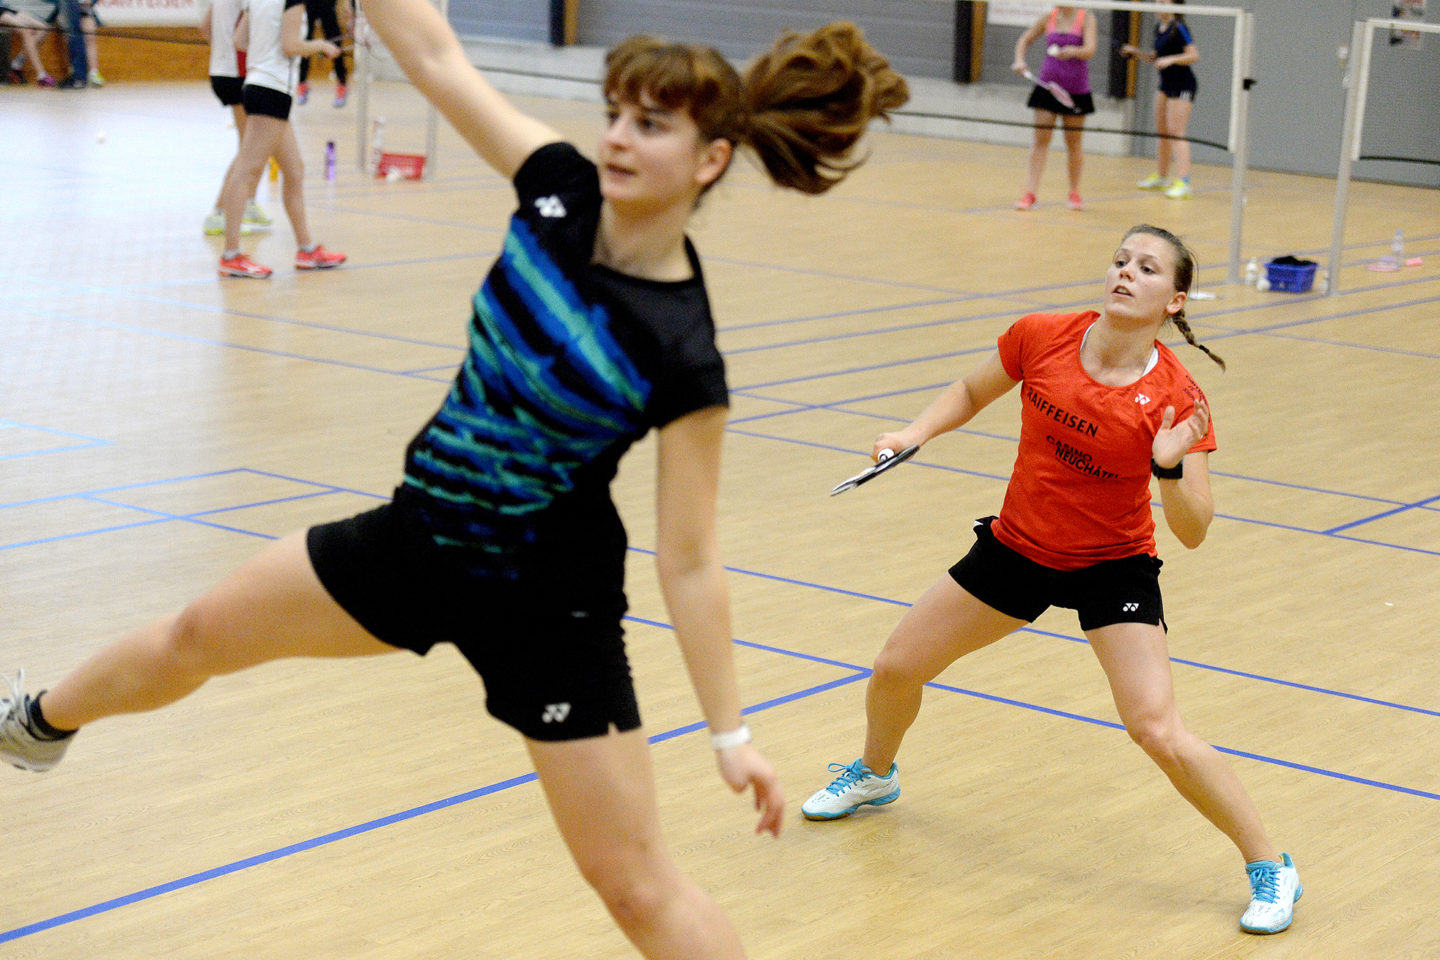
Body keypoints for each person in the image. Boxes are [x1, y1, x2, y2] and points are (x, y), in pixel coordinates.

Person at [0, 6, 908, 957]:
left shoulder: (683, 350)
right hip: (418, 539)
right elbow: (434, 54)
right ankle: (39, 725)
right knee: (195, 635)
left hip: (548, 611)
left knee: (637, 888)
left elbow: (688, 560)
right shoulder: (558, 189)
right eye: (614, 112)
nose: (616, 137)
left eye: (650, 124)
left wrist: (730, 737)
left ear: (710, 159)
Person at [799, 224, 1303, 936]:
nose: (1126, 273)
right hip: (1019, 548)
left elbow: (1194, 528)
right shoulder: (1043, 335)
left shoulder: (1178, 399)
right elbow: (971, 390)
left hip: (1112, 566)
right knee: (894, 668)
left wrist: (1164, 467)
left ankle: (1271, 866)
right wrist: (913, 434)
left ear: (1175, 299)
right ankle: (876, 775)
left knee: (1156, 729)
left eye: (1148, 268)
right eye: (1121, 260)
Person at [216, 0, 345, 278]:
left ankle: (306, 249)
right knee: (247, 171)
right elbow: (290, 46)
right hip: (272, 91)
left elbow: (240, 41)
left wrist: (265, 47)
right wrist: (320, 46)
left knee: (294, 170)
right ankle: (231, 255)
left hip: (257, 85)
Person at [200, 0, 274, 237]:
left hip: (221, 72)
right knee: (248, 149)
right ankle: (220, 212)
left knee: (256, 144)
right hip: (237, 75)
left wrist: (220, 54)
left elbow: (205, 28)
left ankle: (247, 202)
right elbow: (252, 32)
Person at [1011, 5, 1097, 211]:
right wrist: (1020, 61)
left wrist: (1073, 51)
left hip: (1076, 90)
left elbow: (1090, 50)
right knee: (1040, 141)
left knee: (1074, 143)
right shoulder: (1048, 17)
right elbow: (1025, 39)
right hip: (1047, 87)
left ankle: (1074, 193)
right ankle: (1030, 193)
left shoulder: (1086, 18)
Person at [1122, 0, 1199, 199]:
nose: (1158, 4)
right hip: (1165, 84)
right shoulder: (1159, 28)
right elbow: (1155, 57)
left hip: (1183, 85)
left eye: (1163, 1)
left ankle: (1183, 182)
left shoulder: (1179, 27)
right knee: (1163, 133)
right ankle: (1162, 177)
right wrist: (1135, 52)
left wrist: (1171, 59)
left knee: (1176, 133)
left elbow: (1193, 55)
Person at [295, 0, 347, 106]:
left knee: (335, 43)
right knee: (305, 41)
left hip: (327, 3)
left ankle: (342, 84)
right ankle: (302, 83)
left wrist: (346, 4)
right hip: (308, 4)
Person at [1, 3, 58, 85]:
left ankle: (17, 63)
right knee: (26, 30)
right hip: (2, 12)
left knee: (43, 28)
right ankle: (42, 75)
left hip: (9, 8)